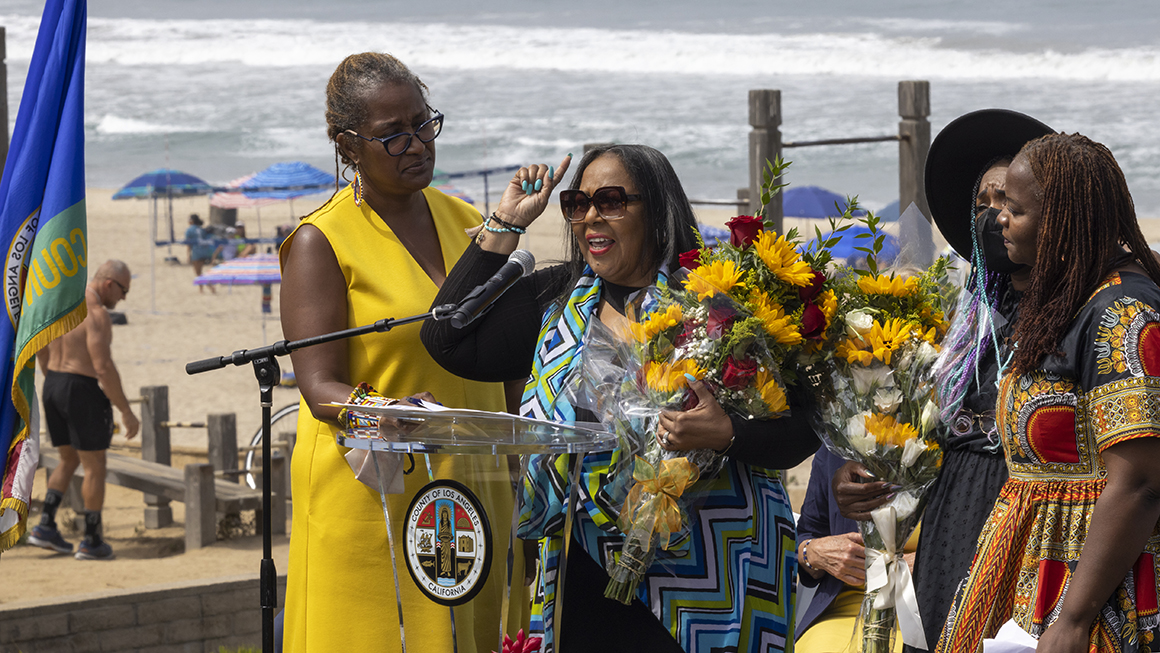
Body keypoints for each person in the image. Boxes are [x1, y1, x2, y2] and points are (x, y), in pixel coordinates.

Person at [422, 144, 820, 652]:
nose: (590, 217)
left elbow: (805, 429)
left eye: (610, 201)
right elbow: (446, 337)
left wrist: (727, 433)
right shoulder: (556, 299)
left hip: (715, 578)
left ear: (655, 209)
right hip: (585, 575)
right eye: (577, 204)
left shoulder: (718, 303)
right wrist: (505, 223)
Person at [278, 52, 525, 652]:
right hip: (374, 489)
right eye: (392, 135)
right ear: (348, 145)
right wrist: (389, 409)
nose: (417, 145)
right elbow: (317, 387)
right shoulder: (320, 241)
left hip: (473, 480)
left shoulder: (471, 222)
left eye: (423, 124)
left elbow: (504, 358)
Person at [832, 109, 1055, 650]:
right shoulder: (962, 322)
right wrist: (864, 480)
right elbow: (921, 437)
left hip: (1038, 517)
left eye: (1009, 200)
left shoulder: (1076, 313)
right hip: (955, 516)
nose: (995, 216)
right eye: (983, 203)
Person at [931, 133, 1160, 652]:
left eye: (1015, 209)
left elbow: (1142, 480)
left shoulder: (1122, 311)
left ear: (1062, 220)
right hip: (1030, 549)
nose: (999, 221)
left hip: (1095, 578)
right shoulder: (1064, 296)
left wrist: (1075, 619)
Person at [28, 260, 140, 561]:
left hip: (52, 384)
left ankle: (45, 526)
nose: (123, 298)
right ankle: (91, 540)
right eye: (123, 290)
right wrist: (126, 411)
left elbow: (40, 347)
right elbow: (102, 367)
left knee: (67, 458)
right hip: (80, 387)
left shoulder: (60, 306)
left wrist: (53, 380)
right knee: (94, 465)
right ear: (108, 284)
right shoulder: (96, 314)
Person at [796, 448, 919, 652]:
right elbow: (806, 535)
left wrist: (929, 563)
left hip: (927, 614)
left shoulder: (960, 445)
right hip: (844, 610)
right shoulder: (836, 447)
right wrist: (814, 552)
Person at [185, 214, 216, 293]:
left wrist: (188, 256)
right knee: (200, 272)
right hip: (204, 251)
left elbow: (189, 244)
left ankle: (208, 287)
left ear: (191, 221)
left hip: (196, 252)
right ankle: (202, 289)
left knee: (198, 272)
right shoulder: (201, 229)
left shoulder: (189, 230)